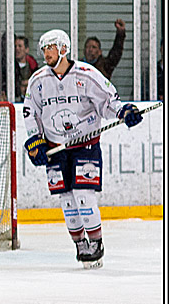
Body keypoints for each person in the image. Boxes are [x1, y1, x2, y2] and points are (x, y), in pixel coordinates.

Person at [23, 29, 143, 269]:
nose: (46, 52)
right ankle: (80, 244)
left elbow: (108, 103)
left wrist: (124, 111)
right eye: (44, 48)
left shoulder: (87, 75)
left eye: (51, 47)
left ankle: (96, 243)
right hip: (56, 148)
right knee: (67, 199)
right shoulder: (38, 81)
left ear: (64, 49)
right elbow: (30, 112)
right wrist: (35, 140)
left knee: (84, 195)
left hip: (85, 145)